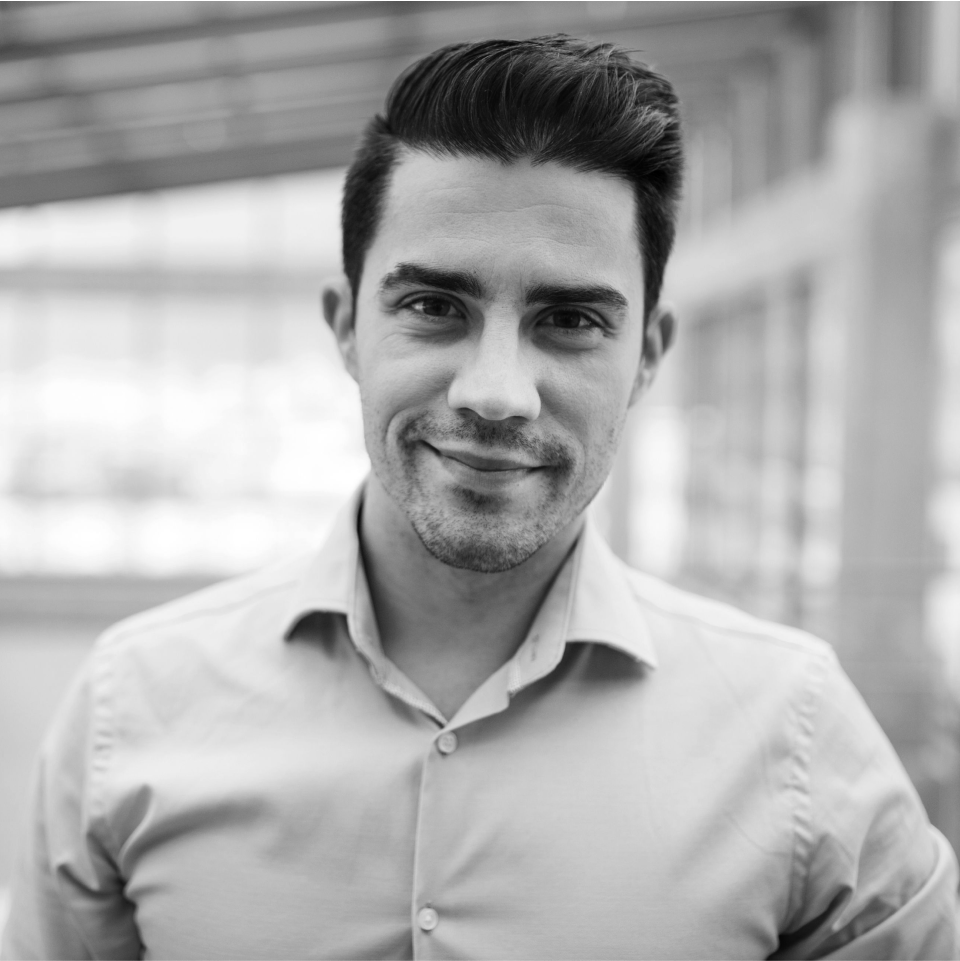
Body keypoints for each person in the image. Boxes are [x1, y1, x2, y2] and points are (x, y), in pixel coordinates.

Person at [2, 35, 956, 961]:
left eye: (571, 320)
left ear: (650, 355)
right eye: (433, 307)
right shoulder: (133, 706)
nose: (495, 392)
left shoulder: (795, 735)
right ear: (345, 327)